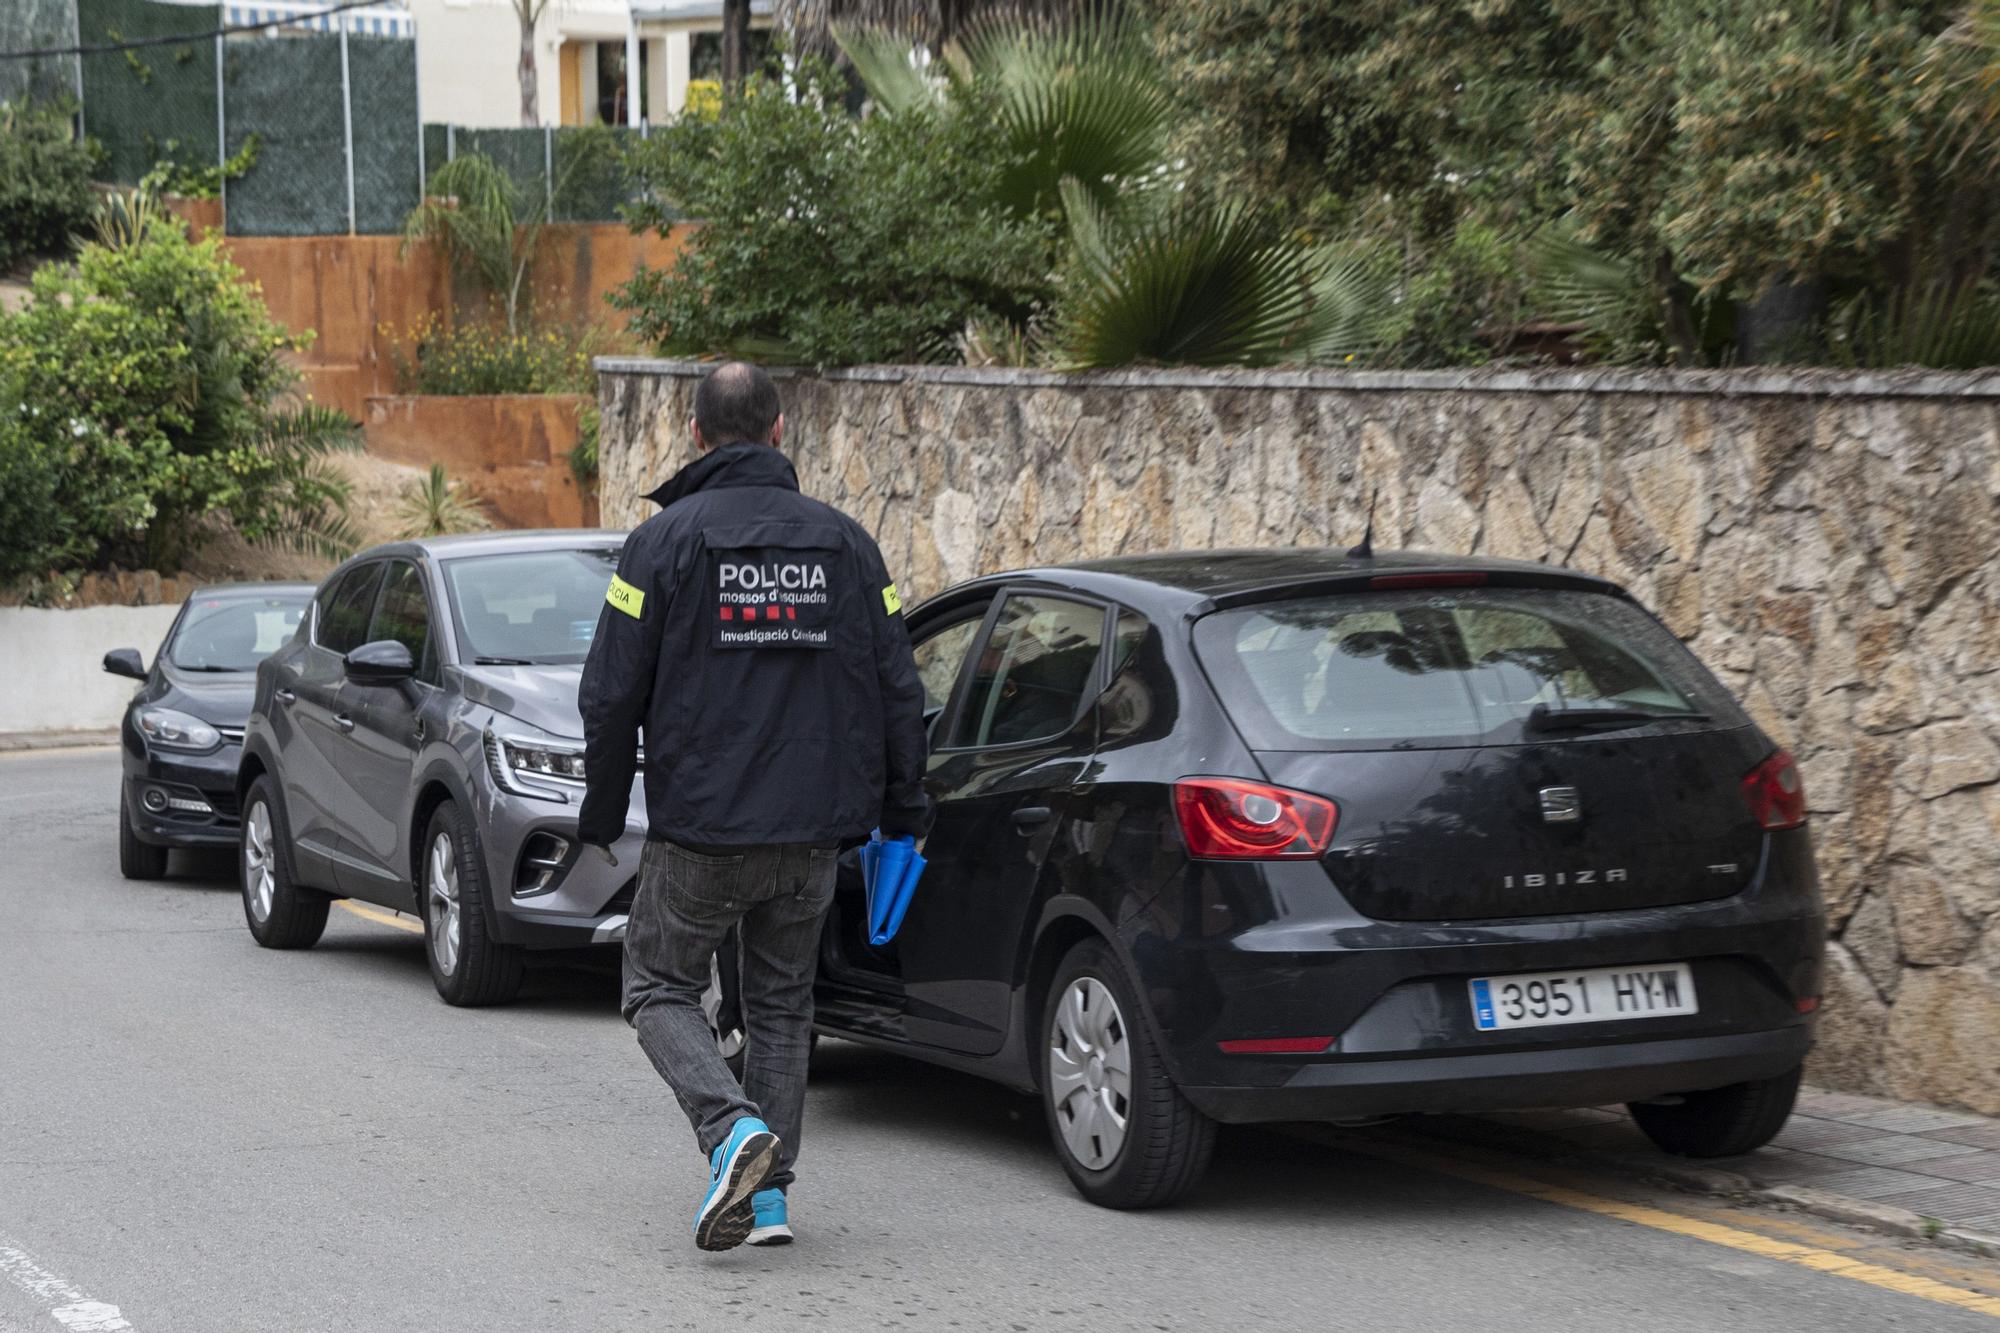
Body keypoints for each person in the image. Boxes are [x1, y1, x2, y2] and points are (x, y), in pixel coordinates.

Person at [577, 361, 930, 1253]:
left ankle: (731, 1131)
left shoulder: (659, 546)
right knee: (781, 1005)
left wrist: (602, 811)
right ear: (779, 432)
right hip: (815, 830)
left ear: (696, 436)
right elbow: (899, 688)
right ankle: (768, 1203)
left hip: (704, 826)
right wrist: (904, 813)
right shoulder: (850, 546)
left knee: (656, 983)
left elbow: (610, 694)